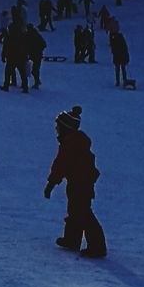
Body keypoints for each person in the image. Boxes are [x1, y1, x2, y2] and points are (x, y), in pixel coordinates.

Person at [44, 106, 106, 258]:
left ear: (66, 128)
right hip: (80, 182)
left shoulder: (70, 144)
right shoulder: (74, 142)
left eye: (58, 127)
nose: (56, 130)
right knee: (75, 210)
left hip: (81, 183)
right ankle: (72, 239)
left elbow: (60, 165)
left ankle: (97, 247)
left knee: (83, 213)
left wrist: (51, 184)